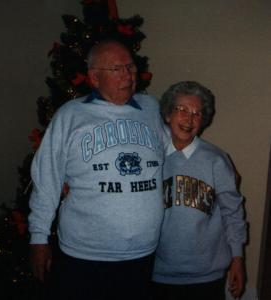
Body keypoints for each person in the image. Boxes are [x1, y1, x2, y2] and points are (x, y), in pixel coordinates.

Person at [28, 39, 166, 300]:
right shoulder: (70, 115)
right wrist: (39, 238)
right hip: (84, 254)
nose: (128, 75)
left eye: (131, 67)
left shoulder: (152, 109)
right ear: (94, 77)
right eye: (118, 69)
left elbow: (179, 149)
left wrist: (215, 165)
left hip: (142, 253)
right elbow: (47, 178)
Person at [152, 81, 246, 300]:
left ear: (203, 121)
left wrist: (238, 258)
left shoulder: (216, 160)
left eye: (197, 113)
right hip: (156, 274)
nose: (189, 118)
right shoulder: (151, 157)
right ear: (167, 115)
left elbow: (232, 212)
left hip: (206, 277)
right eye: (182, 109)